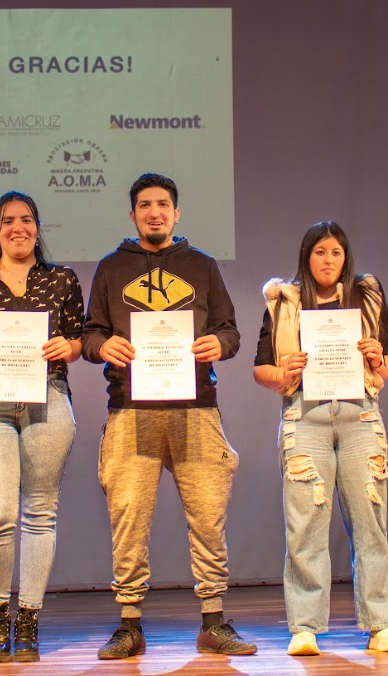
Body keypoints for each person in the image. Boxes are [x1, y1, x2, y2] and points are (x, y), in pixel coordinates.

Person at [83, 173, 256, 659]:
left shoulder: (202, 265)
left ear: (176, 213)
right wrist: (103, 346)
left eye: (162, 204)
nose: (154, 212)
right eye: (145, 205)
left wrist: (218, 343)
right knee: (129, 518)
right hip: (130, 410)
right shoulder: (111, 268)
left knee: (208, 517)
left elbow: (230, 331)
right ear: (133, 214)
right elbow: (91, 334)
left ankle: (214, 621)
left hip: (194, 408)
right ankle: (129, 624)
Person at [254, 221, 388, 656]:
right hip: (305, 416)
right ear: (307, 256)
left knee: (371, 523)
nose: (328, 260)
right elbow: (260, 369)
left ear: (346, 257)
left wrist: (378, 358)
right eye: (320, 252)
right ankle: (305, 627)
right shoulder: (284, 301)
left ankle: (380, 624)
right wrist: (283, 373)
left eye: (336, 252)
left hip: (360, 415)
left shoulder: (367, 296)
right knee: (305, 525)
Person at [0, 191, 83, 663]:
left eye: (26, 220)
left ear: (38, 228)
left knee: (40, 512)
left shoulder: (62, 279)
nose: (17, 228)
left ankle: (29, 618)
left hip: (48, 397)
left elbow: (77, 339)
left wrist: (68, 348)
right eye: (7, 221)